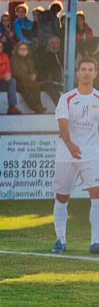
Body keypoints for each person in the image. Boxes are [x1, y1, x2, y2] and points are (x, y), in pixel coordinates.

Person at [51, 58, 99, 254]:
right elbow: (62, 125)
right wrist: (70, 144)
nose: (87, 73)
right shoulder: (67, 98)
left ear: (95, 73)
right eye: (83, 69)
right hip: (66, 156)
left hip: (91, 155)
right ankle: (60, 240)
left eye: (90, 70)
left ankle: (96, 241)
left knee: (97, 197)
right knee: (62, 197)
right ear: (78, 73)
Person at [11, 42, 47, 114]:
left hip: (30, 81)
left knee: (36, 86)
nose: (23, 51)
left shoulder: (29, 59)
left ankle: (38, 105)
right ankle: (35, 107)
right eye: (21, 49)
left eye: (25, 49)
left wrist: (34, 75)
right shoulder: (14, 59)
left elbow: (33, 70)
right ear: (17, 50)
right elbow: (16, 72)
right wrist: (28, 77)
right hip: (19, 82)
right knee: (25, 89)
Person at [37, 36, 64, 106]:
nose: (54, 46)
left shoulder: (63, 55)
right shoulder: (42, 56)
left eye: (57, 43)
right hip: (47, 82)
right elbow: (40, 72)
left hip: (61, 83)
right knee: (51, 86)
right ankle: (62, 107)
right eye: (52, 43)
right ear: (48, 45)